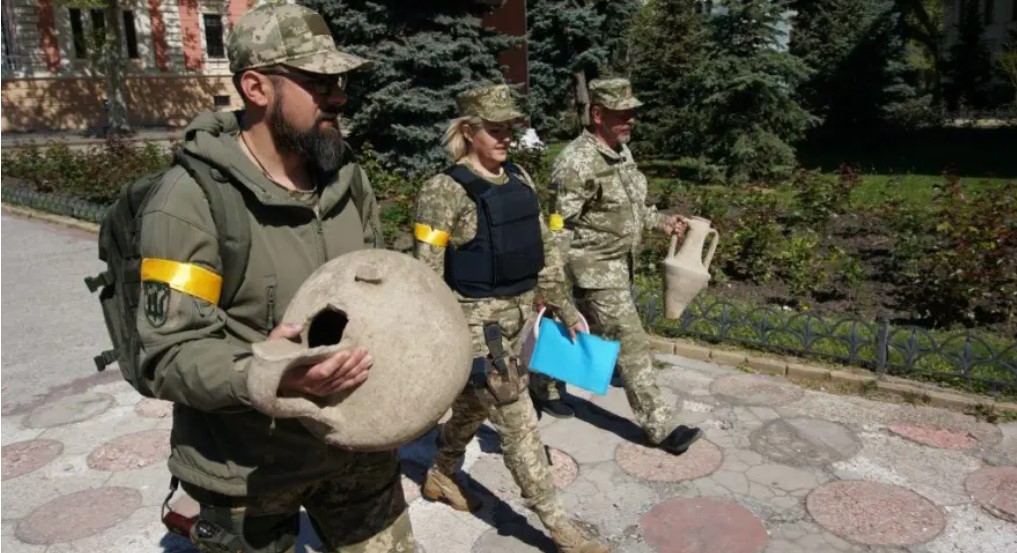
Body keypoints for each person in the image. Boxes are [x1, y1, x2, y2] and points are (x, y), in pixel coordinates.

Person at [136, 5, 415, 552]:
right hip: (246, 469)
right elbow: (167, 356)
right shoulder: (188, 201)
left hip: (355, 449)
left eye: (339, 80)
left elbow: (379, 290)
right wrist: (270, 377)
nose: (338, 95)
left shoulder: (347, 179)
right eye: (317, 81)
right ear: (256, 87)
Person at [413, 84, 609, 553]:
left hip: (521, 318)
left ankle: (441, 473)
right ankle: (558, 525)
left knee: (473, 406)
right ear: (468, 131)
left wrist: (564, 307)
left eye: (509, 129)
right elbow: (427, 275)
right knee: (518, 420)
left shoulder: (519, 178)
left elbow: (542, 253)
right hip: (478, 328)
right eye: (494, 130)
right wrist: (435, 341)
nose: (505, 138)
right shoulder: (444, 190)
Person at [532, 78, 704, 456]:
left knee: (570, 327)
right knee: (631, 342)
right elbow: (559, 225)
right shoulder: (577, 163)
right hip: (591, 267)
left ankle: (542, 385)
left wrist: (662, 221)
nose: (630, 121)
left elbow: (630, 208)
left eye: (631, 114)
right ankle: (659, 425)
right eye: (621, 115)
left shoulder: (621, 152)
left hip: (616, 264)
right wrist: (553, 279)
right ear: (597, 115)